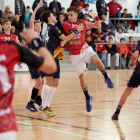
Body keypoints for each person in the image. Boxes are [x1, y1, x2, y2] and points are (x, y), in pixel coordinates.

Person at [0, 29, 57, 140]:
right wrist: (36, 41)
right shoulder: (10, 48)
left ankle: (35, 101)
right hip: (5, 125)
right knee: (39, 81)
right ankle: (34, 102)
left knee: (39, 81)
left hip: (5, 126)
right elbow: (51, 66)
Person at [62, 6, 114, 112]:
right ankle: (87, 98)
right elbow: (66, 38)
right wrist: (76, 30)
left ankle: (106, 78)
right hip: (75, 55)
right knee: (82, 79)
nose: (69, 17)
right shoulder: (65, 24)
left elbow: (98, 26)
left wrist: (96, 17)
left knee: (98, 60)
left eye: (71, 15)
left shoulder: (83, 22)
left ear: (76, 14)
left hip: (84, 48)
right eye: (68, 15)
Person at [41, 7, 84, 115]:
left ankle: (47, 105)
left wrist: (60, 43)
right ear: (48, 18)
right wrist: (77, 30)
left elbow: (58, 40)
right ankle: (43, 105)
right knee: (49, 81)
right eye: (52, 15)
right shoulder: (54, 28)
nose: (54, 16)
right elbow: (65, 38)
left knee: (56, 82)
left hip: (54, 56)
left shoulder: (51, 28)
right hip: (50, 57)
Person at [26, 3, 48, 113]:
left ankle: (38, 100)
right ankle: (30, 103)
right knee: (38, 82)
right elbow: (31, 21)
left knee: (42, 81)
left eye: (40, 26)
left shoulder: (41, 37)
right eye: (37, 26)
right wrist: (36, 9)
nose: (38, 27)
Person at [112, 40, 140, 120]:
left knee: (127, 91)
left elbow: (135, 55)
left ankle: (116, 113)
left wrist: (131, 62)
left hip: (138, 71)